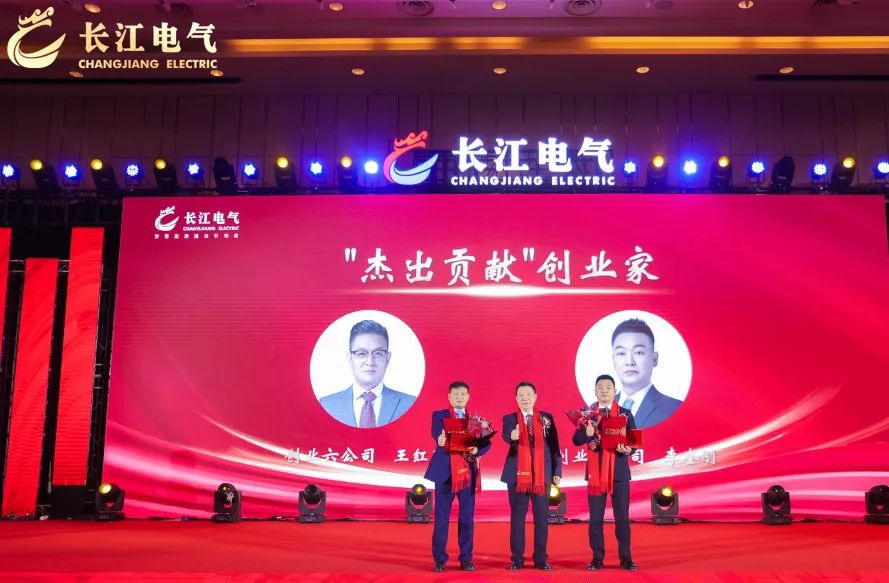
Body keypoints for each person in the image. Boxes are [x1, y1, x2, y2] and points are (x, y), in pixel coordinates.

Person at [424, 381, 492, 572]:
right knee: (441, 518)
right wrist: (440, 439)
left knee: (467, 518)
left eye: (463, 394)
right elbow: (436, 433)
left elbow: (487, 442)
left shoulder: (475, 419)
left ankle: (466, 558)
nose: (459, 397)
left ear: (468, 397)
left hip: (467, 474)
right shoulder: (440, 415)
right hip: (445, 473)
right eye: (455, 394)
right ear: (449, 397)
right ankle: (439, 559)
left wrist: (477, 449)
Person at [573, 374, 638, 571]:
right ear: (594, 391)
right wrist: (586, 434)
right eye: (600, 387)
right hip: (596, 474)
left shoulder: (625, 414)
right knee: (595, 519)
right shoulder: (587, 415)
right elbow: (576, 440)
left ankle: (626, 559)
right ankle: (597, 559)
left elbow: (634, 442)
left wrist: (628, 450)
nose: (604, 391)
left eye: (608, 387)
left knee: (622, 518)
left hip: (619, 473)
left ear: (615, 391)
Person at [500, 381, 562, 571]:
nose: (525, 398)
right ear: (516, 398)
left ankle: (541, 560)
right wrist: (512, 436)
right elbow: (506, 436)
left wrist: (557, 471)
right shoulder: (510, 418)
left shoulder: (546, 418)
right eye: (521, 395)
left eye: (528, 395)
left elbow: (554, 446)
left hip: (542, 476)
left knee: (542, 520)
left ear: (535, 397)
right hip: (517, 476)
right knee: (517, 520)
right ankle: (516, 559)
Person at [319, 320, 416, 428]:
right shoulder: (326, 405)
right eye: (361, 353)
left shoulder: (411, 404)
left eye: (378, 353)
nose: (370, 362)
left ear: (388, 358)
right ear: (350, 358)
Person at [611, 318, 682, 429]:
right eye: (621, 353)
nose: (629, 362)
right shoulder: (599, 409)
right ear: (613, 360)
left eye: (639, 352)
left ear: (654, 359)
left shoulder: (675, 409)